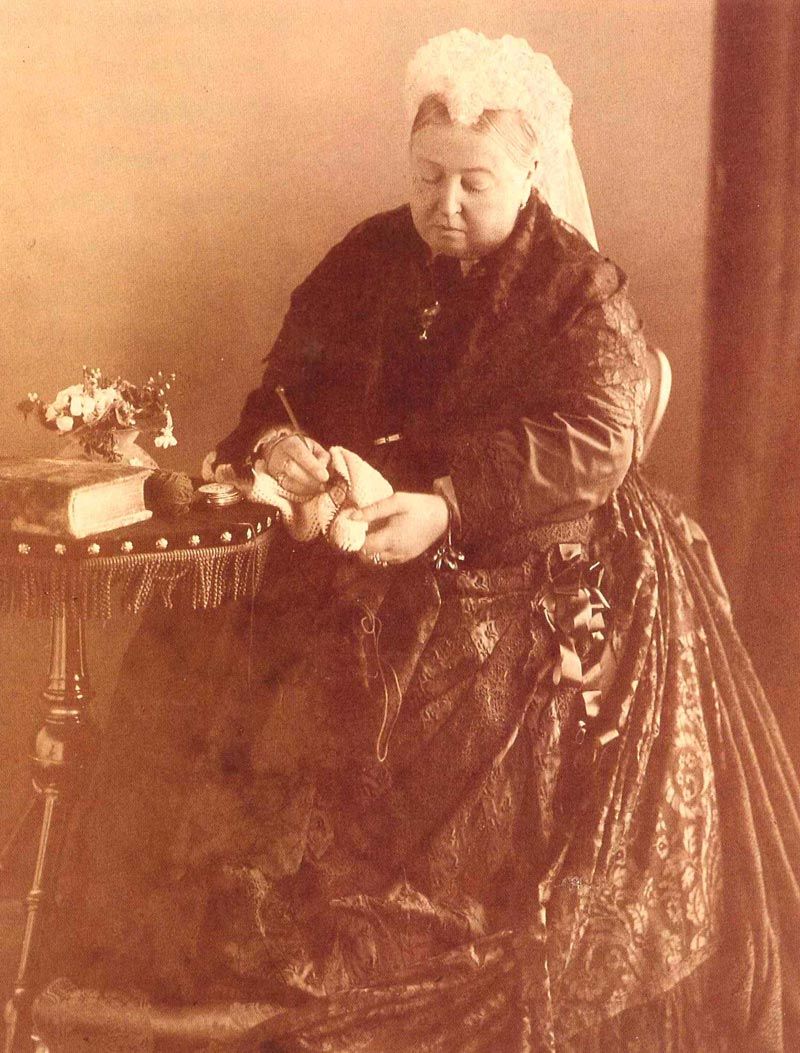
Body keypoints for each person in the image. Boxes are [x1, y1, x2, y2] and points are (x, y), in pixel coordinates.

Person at [42, 29, 800, 1053]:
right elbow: (280, 392)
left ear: (529, 173)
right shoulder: (365, 258)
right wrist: (280, 448)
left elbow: (593, 440)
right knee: (200, 639)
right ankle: (196, 947)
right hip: (343, 533)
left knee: (408, 667)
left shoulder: (577, 290)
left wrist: (444, 506)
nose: (445, 204)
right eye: (427, 177)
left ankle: (338, 955)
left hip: (510, 551)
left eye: (473, 183)